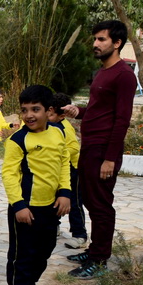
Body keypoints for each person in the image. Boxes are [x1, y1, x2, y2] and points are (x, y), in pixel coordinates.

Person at [60, 20, 137, 280]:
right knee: (91, 201)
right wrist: (77, 112)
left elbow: (121, 120)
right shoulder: (102, 72)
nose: (95, 43)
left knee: (102, 205)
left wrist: (109, 159)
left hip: (104, 150)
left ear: (116, 43)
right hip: (90, 147)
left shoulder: (124, 75)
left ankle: (100, 259)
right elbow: (97, 111)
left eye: (101, 39)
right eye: (95, 38)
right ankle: (94, 250)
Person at [2, 85, 72, 285]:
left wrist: (65, 192)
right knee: (22, 254)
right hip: (26, 209)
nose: (29, 115)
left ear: (49, 110)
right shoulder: (18, 140)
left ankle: (29, 284)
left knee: (45, 249)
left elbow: (64, 163)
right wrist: (19, 205)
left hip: (51, 207)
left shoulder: (59, 133)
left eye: (36, 109)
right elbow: (9, 175)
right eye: (24, 110)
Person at [49, 92, 88, 249]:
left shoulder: (66, 128)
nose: (47, 115)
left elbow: (73, 147)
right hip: (56, 170)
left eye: (51, 113)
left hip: (72, 168)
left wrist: (59, 152)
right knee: (53, 199)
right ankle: (54, 227)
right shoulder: (48, 126)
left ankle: (80, 235)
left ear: (62, 115)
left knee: (74, 202)